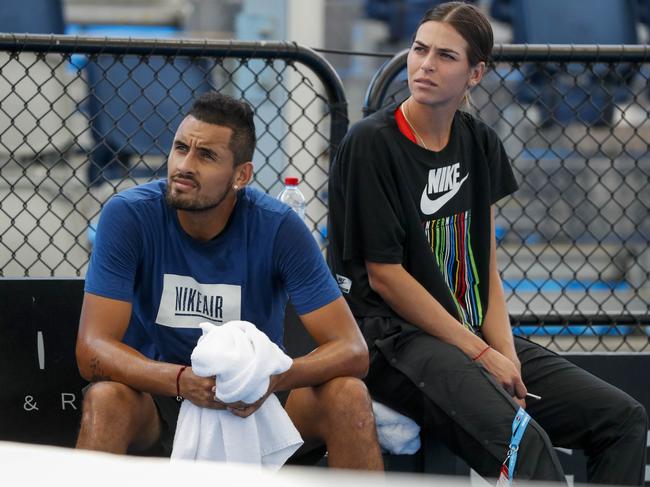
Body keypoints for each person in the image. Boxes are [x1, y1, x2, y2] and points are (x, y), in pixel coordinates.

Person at [327, 2, 647, 484]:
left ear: (475, 74)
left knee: (622, 420)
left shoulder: (479, 140)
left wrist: (507, 357)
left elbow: (486, 264)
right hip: (394, 339)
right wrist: (482, 357)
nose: (425, 64)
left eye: (445, 56)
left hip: (468, 334)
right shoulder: (372, 142)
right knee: (526, 446)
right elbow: (386, 278)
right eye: (419, 49)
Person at [75, 91, 384, 470]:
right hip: (160, 397)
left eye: (206, 156)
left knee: (348, 396)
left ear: (241, 175)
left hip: (256, 401)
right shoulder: (128, 216)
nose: (184, 165)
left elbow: (353, 350)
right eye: (180, 148)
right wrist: (179, 381)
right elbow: (91, 350)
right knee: (105, 400)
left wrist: (272, 378)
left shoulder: (279, 227)